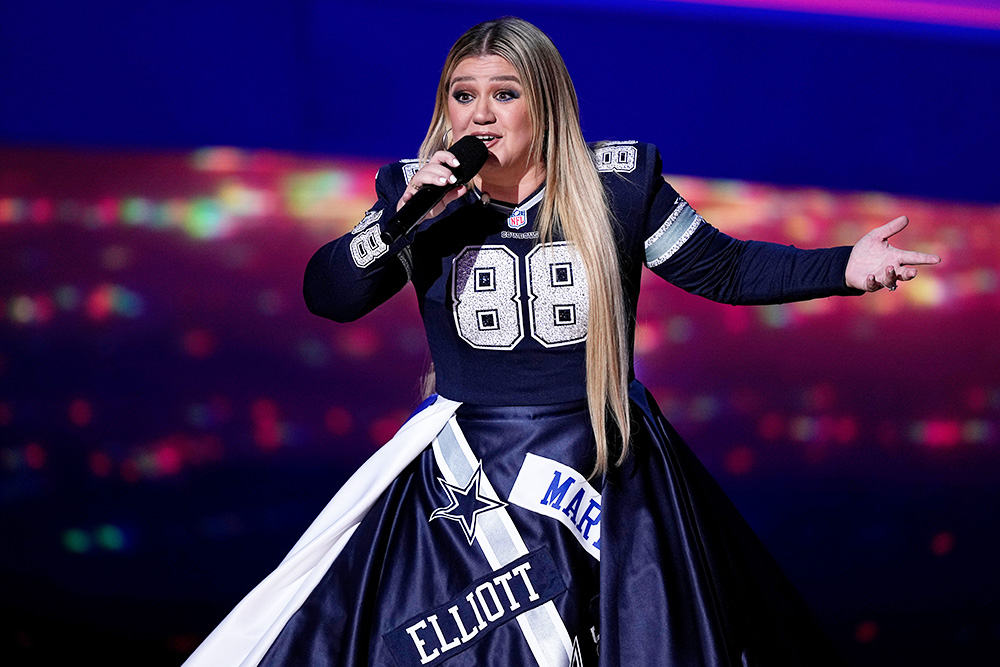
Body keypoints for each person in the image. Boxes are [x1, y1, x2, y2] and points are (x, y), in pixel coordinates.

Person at [183, 16, 940, 667]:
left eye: (504, 94)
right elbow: (329, 295)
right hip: (467, 473)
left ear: (544, 104)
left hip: (600, 458)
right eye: (464, 94)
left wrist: (847, 265)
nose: (482, 114)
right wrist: (400, 219)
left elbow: (726, 266)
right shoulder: (415, 198)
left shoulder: (617, 186)